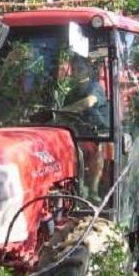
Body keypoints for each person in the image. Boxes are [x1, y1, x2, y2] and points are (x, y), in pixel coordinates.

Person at [61, 56, 110, 200]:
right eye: (75, 70)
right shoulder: (71, 94)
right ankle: (72, 189)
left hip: (100, 132)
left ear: (89, 70)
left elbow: (89, 102)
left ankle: (94, 192)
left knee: (98, 148)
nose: (77, 73)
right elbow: (64, 116)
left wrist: (66, 110)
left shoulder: (95, 87)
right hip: (79, 134)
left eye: (81, 69)